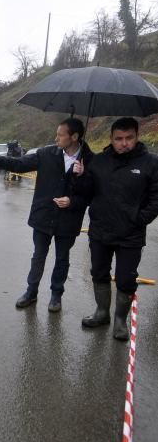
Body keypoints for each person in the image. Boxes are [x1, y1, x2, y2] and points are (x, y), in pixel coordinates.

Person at [0, 118, 94, 312]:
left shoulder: (89, 160)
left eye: (60, 135)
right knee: (38, 256)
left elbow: (92, 193)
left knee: (62, 259)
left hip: (68, 220)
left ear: (74, 137)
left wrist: (78, 188)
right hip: (43, 217)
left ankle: (56, 296)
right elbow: (18, 165)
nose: (55, 138)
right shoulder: (46, 154)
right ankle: (31, 292)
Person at [74, 117, 158, 340]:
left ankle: (120, 320)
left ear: (136, 137)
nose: (124, 143)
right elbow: (87, 192)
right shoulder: (99, 161)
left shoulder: (150, 162)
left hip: (131, 235)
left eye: (129, 138)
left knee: (126, 279)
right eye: (118, 138)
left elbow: (156, 197)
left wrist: (140, 219)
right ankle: (102, 313)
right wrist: (80, 176)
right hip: (100, 231)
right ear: (111, 139)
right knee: (99, 272)